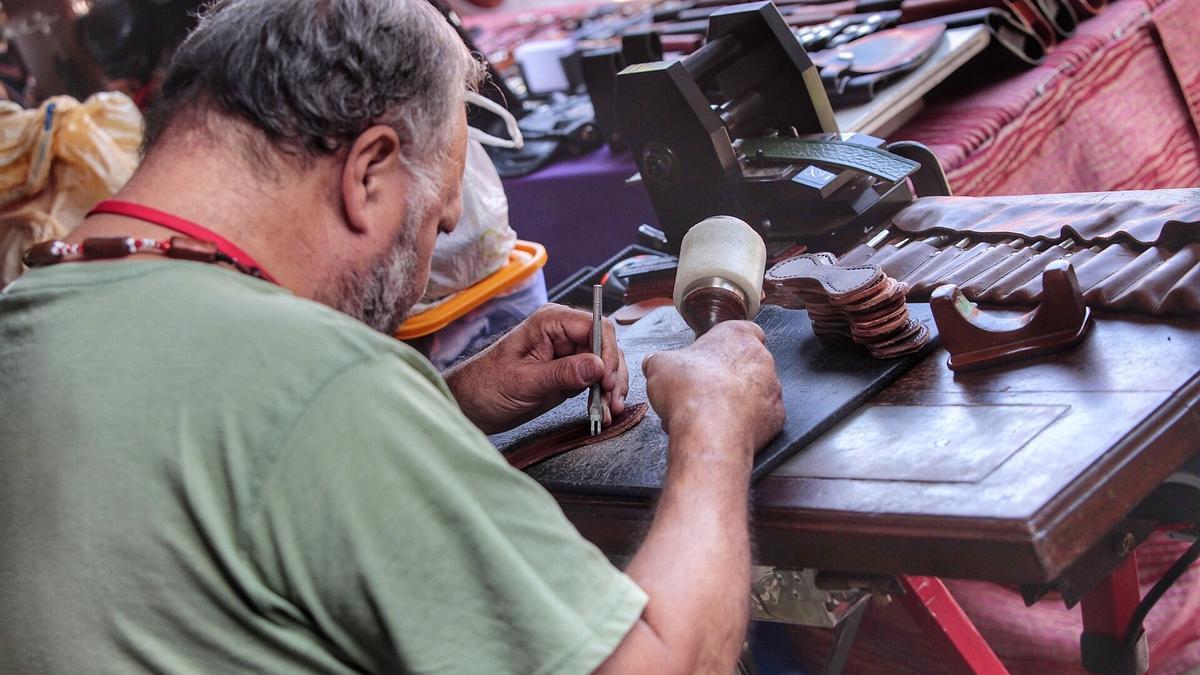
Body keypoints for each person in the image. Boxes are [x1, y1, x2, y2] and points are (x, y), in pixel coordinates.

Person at [0, 0, 785, 673]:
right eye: (436, 225)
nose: (419, 271)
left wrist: (447, 402)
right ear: (369, 171)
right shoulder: (316, 385)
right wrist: (716, 420)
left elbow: (193, 469)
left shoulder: (32, 310)